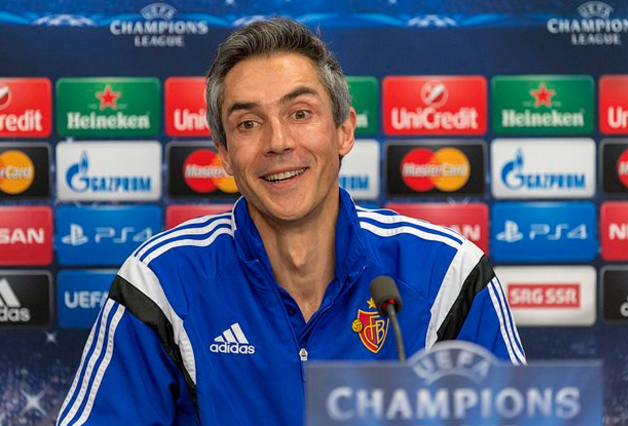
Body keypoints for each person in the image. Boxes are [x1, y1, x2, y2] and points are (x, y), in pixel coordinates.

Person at [57, 17, 525, 426]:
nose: (278, 142)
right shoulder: (163, 280)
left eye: (300, 114)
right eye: (248, 124)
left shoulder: (448, 274)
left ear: (344, 130)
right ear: (224, 154)